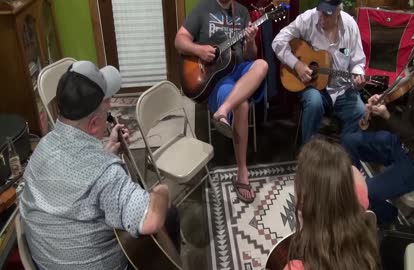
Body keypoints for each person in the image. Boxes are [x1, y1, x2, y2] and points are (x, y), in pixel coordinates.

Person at [19, 61, 178, 269]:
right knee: (170, 214)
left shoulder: (42, 147)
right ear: (94, 124)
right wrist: (162, 190)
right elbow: (152, 218)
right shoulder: (106, 175)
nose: (110, 107)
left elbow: (78, 178)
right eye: (107, 104)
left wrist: (108, 150)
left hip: (48, 261)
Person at [342, 4, 414, 225]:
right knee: (349, 140)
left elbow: (413, 133)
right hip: (399, 144)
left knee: (365, 193)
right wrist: (383, 98)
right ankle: (359, 198)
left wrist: (385, 115)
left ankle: (386, 216)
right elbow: (406, 98)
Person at [175, 0, 268, 203]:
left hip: (239, 70)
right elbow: (179, 40)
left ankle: (223, 110)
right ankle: (242, 171)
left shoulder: (242, 13)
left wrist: (251, 41)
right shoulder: (202, 8)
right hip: (217, 77)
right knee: (242, 104)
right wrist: (199, 51)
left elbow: (249, 55)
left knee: (261, 64)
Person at [272, 0, 366, 145]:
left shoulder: (351, 26)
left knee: (360, 111)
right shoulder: (308, 19)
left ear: (338, 11)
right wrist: (296, 64)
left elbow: (357, 62)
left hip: (342, 89)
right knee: (314, 103)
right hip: (314, 87)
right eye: (321, 11)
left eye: (327, 14)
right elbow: (278, 41)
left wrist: (357, 74)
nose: (322, 18)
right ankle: (307, 156)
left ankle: (349, 158)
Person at [285, 137, 380, 270]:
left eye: (298, 175)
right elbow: (352, 172)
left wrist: (301, 215)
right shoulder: (358, 187)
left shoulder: (297, 267)